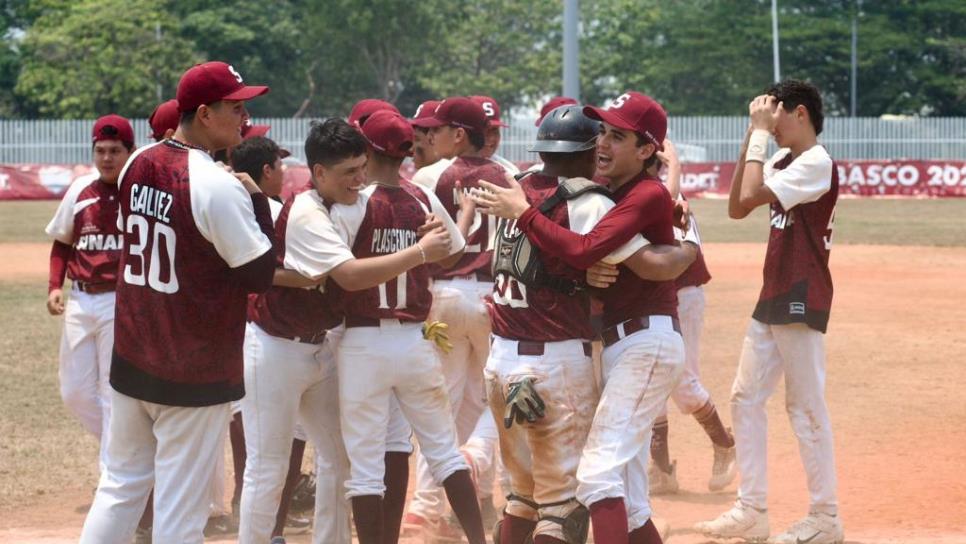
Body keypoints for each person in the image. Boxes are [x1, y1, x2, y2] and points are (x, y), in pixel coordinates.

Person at [472, 91, 693, 544]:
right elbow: (611, 257)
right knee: (601, 499)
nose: (605, 145)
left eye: (616, 136)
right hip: (579, 355)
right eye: (602, 136)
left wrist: (687, 242)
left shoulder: (526, 188)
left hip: (531, 356)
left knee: (562, 486)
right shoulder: (594, 198)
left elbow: (607, 254)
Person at [78, 61, 274, 544]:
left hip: (134, 355)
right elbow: (260, 274)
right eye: (235, 107)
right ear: (204, 113)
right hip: (193, 368)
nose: (244, 117)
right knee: (180, 512)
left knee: (119, 487)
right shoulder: (216, 184)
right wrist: (258, 204)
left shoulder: (138, 162)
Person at [238, 118, 455, 544]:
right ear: (319, 173)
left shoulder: (348, 201)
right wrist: (420, 250)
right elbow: (352, 276)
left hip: (322, 347)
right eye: (349, 172)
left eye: (362, 167)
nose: (360, 179)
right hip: (276, 348)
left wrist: (424, 230)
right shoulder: (306, 211)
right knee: (268, 467)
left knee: (340, 458)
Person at [328, 110, 487, 544]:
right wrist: (458, 219)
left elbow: (335, 271)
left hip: (362, 341)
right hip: (414, 342)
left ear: (366, 151)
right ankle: (479, 539)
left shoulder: (354, 201)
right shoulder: (419, 197)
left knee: (364, 469)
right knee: (444, 453)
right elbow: (452, 255)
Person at [695, 80, 843, 544]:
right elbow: (738, 206)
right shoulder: (784, 158)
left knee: (804, 406)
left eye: (774, 116)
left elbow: (751, 191)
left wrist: (760, 137)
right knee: (745, 397)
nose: (771, 127)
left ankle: (825, 517)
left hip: (803, 290)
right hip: (774, 290)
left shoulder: (817, 163)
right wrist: (753, 132)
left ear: (800, 114)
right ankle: (752, 509)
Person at [403, 96, 510, 537]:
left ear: (459, 135)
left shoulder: (430, 176)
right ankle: (474, 463)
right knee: (492, 399)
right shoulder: (509, 175)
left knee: (441, 404)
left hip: (443, 295)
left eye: (442, 129)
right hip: (493, 296)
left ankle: (426, 507)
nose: (434, 136)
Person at [647, 139, 737, 495]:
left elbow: (662, 210)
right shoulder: (646, 188)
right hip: (656, 296)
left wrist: (676, 167)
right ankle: (663, 471)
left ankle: (724, 444)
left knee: (683, 384)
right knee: (649, 382)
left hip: (682, 295)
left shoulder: (659, 192)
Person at [45, 114, 134, 471]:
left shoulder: (137, 194)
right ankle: (127, 453)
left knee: (114, 392)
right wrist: (54, 286)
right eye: (100, 150)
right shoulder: (81, 190)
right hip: (81, 299)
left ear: (131, 151)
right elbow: (62, 244)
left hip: (120, 300)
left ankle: (114, 472)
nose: (107, 158)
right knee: (75, 393)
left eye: (115, 150)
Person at [470, 94, 519, 175]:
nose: (491, 137)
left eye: (494, 130)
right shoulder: (446, 170)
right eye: (483, 131)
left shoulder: (509, 170)